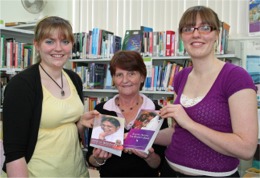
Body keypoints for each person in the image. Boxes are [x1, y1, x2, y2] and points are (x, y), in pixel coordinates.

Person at [158, 6, 258, 177]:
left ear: (216, 35)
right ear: (182, 37)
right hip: (170, 170)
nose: (196, 34)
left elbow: (247, 149)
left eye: (205, 27)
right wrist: (131, 136)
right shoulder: (181, 77)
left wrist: (189, 123)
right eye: (188, 29)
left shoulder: (235, 77)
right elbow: (177, 132)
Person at [2, 16, 98, 177]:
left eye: (65, 42)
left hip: (77, 172)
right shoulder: (21, 85)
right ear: (37, 45)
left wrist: (81, 123)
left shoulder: (74, 79)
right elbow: (14, 153)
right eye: (50, 41)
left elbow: (64, 129)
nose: (58, 48)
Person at [86, 50, 168, 177]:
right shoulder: (101, 110)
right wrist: (99, 158)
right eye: (119, 75)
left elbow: (158, 163)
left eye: (131, 73)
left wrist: (149, 156)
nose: (125, 80)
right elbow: (91, 159)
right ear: (113, 78)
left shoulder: (156, 112)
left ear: (142, 77)